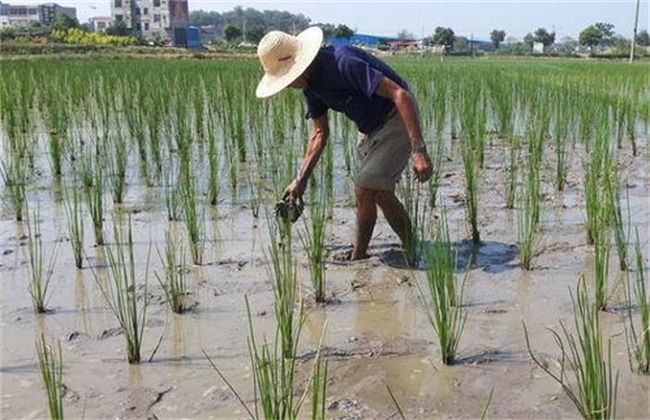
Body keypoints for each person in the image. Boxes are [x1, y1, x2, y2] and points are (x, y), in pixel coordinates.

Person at [255, 26, 433, 261]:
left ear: (299, 66)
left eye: (286, 78)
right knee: (378, 192)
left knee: (365, 189)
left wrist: (419, 151)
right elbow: (319, 133)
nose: (287, 85)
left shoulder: (343, 63)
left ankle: (358, 256)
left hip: (397, 117)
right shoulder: (310, 86)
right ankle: (411, 244)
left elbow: (401, 95)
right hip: (370, 128)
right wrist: (300, 180)